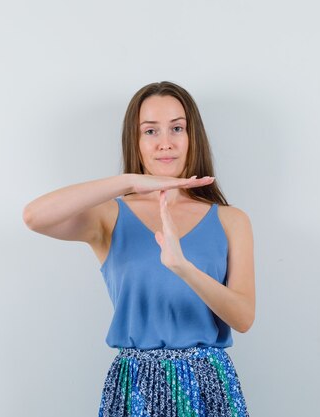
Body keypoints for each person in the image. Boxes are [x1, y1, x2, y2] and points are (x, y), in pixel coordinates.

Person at [23, 81, 255, 416]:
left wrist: (183, 267)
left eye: (177, 128)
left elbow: (243, 318)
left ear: (193, 137)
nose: (165, 143)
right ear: (136, 140)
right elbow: (34, 217)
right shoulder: (110, 215)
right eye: (150, 131)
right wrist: (129, 181)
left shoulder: (231, 220)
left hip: (209, 385)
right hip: (135, 387)